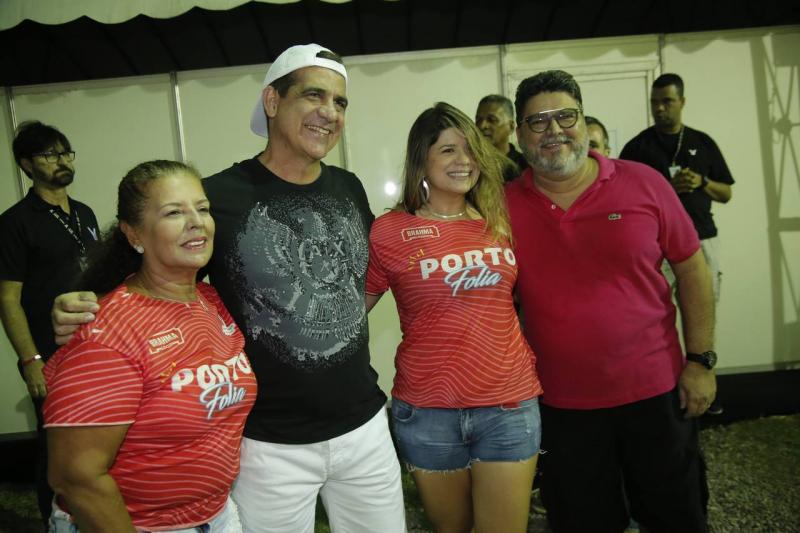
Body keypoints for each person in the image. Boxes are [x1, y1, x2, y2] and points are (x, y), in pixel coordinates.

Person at [51, 44, 406, 532]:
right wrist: (84, 302)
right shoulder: (218, 197)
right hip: (268, 443)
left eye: (340, 102)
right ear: (273, 101)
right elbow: (155, 272)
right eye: (314, 95)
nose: (329, 112)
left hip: (364, 425)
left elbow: (354, 280)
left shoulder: (349, 186)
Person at [506, 69, 716, 533]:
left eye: (565, 116)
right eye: (537, 121)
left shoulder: (644, 183)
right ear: (519, 135)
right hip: (561, 407)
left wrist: (700, 361)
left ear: (583, 120)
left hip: (656, 395)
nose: (553, 130)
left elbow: (693, 269)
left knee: (677, 518)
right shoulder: (502, 207)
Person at [44, 160, 256, 531]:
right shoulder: (108, 330)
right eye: (174, 212)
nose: (196, 222)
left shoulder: (210, 300)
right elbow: (76, 478)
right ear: (134, 235)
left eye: (202, 208)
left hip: (216, 515)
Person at [366, 102, 543, 533]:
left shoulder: (502, 220)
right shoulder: (389, 230)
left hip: (507, 405)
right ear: (421, 160)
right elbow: (350, 314)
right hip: (427, 413)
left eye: (470, 149)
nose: (464, 160)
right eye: (448, 150)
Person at [0, 120, 100, 527]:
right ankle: (52, 521)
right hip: (49, 354)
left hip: (93, 349)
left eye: (65, 152)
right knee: (55, 445)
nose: (62, 161)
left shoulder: (85, 212)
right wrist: (31, 361)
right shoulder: (15, 222)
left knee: (96, 439)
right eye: (49, 155)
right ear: (26, 165)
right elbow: (8, 299)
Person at [620, 73, 733, 415]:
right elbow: (622, 199)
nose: (660, 108)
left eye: (667, 101)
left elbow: (726, 193)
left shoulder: (702, 142)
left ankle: (704, 386)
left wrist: (701, 182)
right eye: (655, 102)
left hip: (702, 240)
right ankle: (663, 389)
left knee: (702, 314)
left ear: (682, 102)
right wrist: (668, 189)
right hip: (656, 248)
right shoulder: (638, 148)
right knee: (653, 317)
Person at [475, 94, 528, 182]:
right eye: (478, 120)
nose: (482, 126)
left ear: (511, 127)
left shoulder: (526, 167)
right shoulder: (471, 164)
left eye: (491, 120)